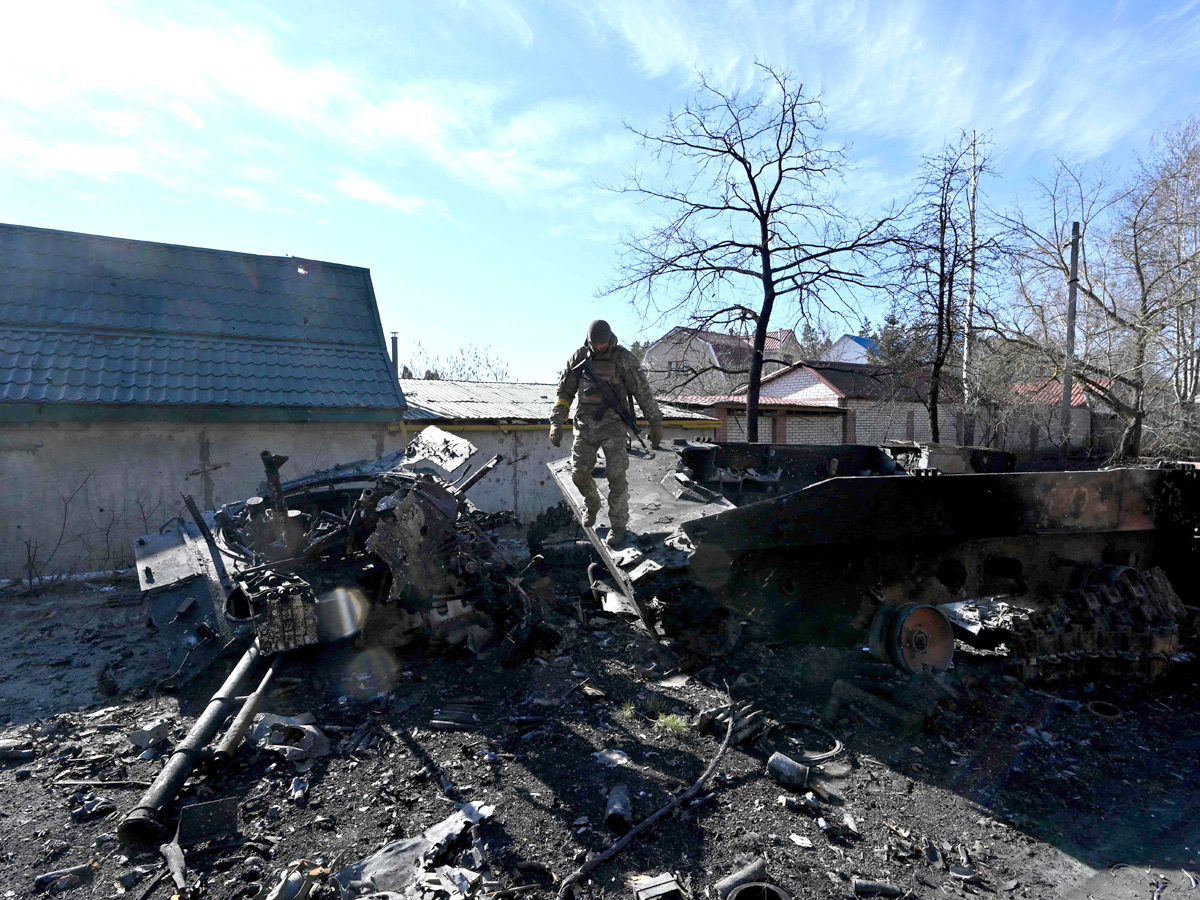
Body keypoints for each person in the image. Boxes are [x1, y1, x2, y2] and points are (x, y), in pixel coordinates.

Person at [549, 319, 663, 547]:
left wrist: (655, 422)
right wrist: (556, 421)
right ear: (589, 340)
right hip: (585, 427)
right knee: (578, 474)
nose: (599, 347)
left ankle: (618, 525)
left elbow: (642, 392)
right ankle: (592, 504)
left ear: (609, 338)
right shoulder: (578, 357)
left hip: (614, 428)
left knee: (617, 478)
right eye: (595, 343)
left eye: (603, 343)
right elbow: (564, 392)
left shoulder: (623, 358)